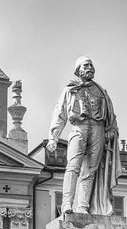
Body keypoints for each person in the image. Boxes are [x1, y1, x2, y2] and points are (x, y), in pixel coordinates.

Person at [47, 56, 121, 215]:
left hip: (98, 129)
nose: (90, 68)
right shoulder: (70, 89)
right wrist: (54, 136)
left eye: (91, 65)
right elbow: (60, 113)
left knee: (90, 170)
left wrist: (111, 131)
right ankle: (67, 203)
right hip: (78, 127)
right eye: (86, 65)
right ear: (78, 70)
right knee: (73, 166)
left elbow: (111, 117)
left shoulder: (101, 91)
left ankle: (83, 206)